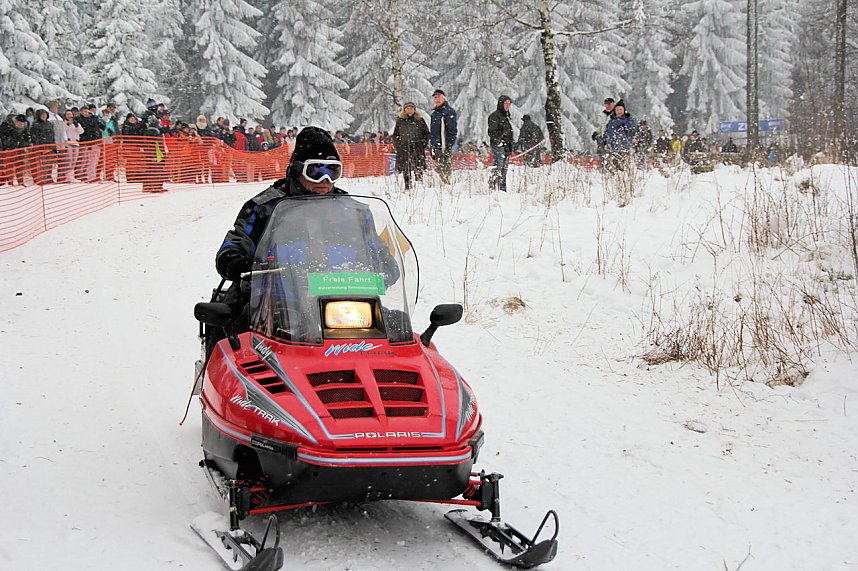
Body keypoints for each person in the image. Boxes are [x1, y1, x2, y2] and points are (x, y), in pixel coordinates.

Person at [215, 127, 357, 321]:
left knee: (396, 328)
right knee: (233, 322)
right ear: (298, 169)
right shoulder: (265, 206)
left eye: (332, 171)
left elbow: (375, 247)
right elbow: (236, 241)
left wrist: (385, 263)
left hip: (343, 303)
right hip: (272, 300)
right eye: (315, 171)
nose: (325, 180)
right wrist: (235, 261)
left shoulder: (350, 210)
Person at [392, 101, 429, 190]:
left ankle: (419, 187)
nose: (409, 110)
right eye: (407, 108)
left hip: (417, 147)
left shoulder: (420, 120)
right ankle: (408, 186)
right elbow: (395, 135)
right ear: (404, 110)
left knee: (418, 166)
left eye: (411, 108)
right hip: (404, 148)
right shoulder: (400, 121)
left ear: (414, 109)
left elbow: (426, 133)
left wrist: (422, 143)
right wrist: (398, 146)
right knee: (406, 168)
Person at [429, 89, 457, 184]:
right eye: (435, 98)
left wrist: (449, 144)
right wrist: (432, 145)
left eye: (438, 97)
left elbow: (452, 130)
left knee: (444, 168)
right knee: (439, 167)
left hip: (445, 146)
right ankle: (442, 186)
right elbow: (433, 132)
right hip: (436, 146)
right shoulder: (435, 114)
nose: (436, 100)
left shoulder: (449, 112)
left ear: (444, 98)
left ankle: (446, 185)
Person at [487, 95, 514, 192]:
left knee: (504, 170)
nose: (507, 106)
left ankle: (502, 191)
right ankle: (493, 189)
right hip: (499, 146)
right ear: (501, 104)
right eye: (505, 103)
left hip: (505, 147)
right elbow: (492, 132)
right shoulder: (495, 116)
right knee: (498, 168)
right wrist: (500, 141)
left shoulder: (505, 116)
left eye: (509, 104)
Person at [601, 101, 638, 170]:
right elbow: (607, 132)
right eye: (617, 110)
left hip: (624, 148)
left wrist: (624, 125)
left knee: (624, 169)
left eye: (621, 109)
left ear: (624, 110)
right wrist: (604, 140)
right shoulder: (611, 121)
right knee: (612, 169)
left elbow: (633, 130)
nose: (619, 111)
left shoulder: (629, 119)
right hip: (612, 149)